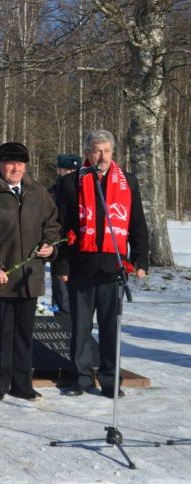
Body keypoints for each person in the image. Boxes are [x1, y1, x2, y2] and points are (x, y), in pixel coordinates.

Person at [54, 130, 148, 398]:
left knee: (109, 328)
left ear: (113, 153)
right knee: (80, 328)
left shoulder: (127, 182)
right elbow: (60, 228)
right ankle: (80, 379)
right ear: (87, 153)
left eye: (107, 151)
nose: (102, 156)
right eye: (97, 151)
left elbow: (137, 224)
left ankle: (109, 380)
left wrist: (141, 259)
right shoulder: (71, 183)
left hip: (112, 267)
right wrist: (61, 265)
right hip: (80, 267)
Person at [0, 142, 60, 402]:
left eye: (20, 163)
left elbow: (53, 225)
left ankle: (22, 383)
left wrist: (49, 246)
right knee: (2, 334)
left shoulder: (38, 193)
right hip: (2, 277)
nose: (16, 168)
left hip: (29, 277)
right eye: (10, 163)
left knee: (24, 334)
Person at [48, 153, 81, 314]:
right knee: (61, 292)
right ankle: (62, 327)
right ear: (59, 170)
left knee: (80, 295)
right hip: (60, 246)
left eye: (74, 170)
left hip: (82, 248)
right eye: (66, 170)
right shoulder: (51, 193)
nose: (70, 174)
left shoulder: (86, 192)